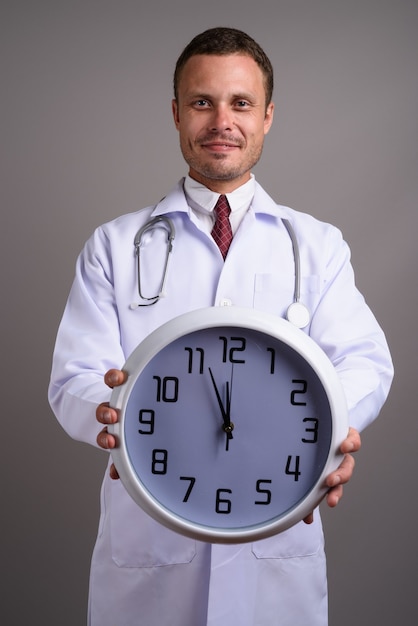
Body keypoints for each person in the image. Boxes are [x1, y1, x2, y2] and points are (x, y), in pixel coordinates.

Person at [48, 27, 393, 626]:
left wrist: (333, 433)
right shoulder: (115, 245)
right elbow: (74, 377)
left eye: (241, 103)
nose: (221, 121)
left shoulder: (315, 245)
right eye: (203, 102)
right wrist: (109, 410)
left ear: (267, 116)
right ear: (177, 113)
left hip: (278, 533)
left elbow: (365, 361)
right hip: (152, 544)